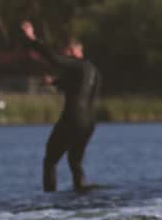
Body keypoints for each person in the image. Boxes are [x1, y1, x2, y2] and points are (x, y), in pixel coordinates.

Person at [20, 21, 102, 192]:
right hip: (89, 123)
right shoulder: (92, 70)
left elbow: (53, 58)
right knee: (75, 162)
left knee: (50, 160)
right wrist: (54, 82)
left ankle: (49, 201)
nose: (65, 58)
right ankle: (82, 195)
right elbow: (77, 87)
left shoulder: (76, 64)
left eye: (67, 53)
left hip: (72, 119)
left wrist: (32, 38)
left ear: (73, 51)